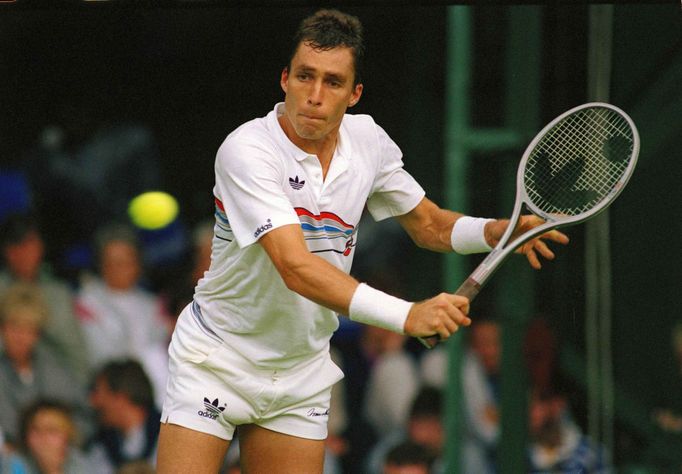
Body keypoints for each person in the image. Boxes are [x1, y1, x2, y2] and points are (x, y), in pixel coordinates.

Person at [156, 9, 568, 473]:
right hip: (218, 357)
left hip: (300, 370)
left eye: (332, 83)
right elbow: (295, 267)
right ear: (285, 79)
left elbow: (428, 224)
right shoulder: (246, 150)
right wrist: (407, 315)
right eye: (305, 77)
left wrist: (495, 231)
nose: (314, 96)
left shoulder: (368, 142)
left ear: (354, 95)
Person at [76, 223, 171, 408]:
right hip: (111, 394)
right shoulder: (86, 302)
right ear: (101, 264)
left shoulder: (152, 304)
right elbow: (98, 356)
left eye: (126, 261)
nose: (119, 268)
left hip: (155, 396)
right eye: (112, 261)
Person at [0, 213, 88, 383]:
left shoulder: (58, 294)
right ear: (6, 251)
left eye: (29, 244)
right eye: (15, 246)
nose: (23, 253)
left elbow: (76, 355)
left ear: (41, 247)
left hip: (51, 388)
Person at [0, 282, 88, 446]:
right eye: (14, 327)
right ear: (2, 329)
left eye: (28, 329)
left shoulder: (53, 368)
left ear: (38, 335)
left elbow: (84, 417)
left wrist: (63, 442)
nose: (20, 337)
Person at [87, 359, 161, 474]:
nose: (93, 401)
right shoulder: (99, 448)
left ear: (121, 398)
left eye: (98, 393)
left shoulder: (170, 438)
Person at [15, 399, 96, 473]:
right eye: (35, 429)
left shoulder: (83, 466)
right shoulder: (14, 465)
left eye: (51, 430)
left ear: (67, 436)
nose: (43, 436)